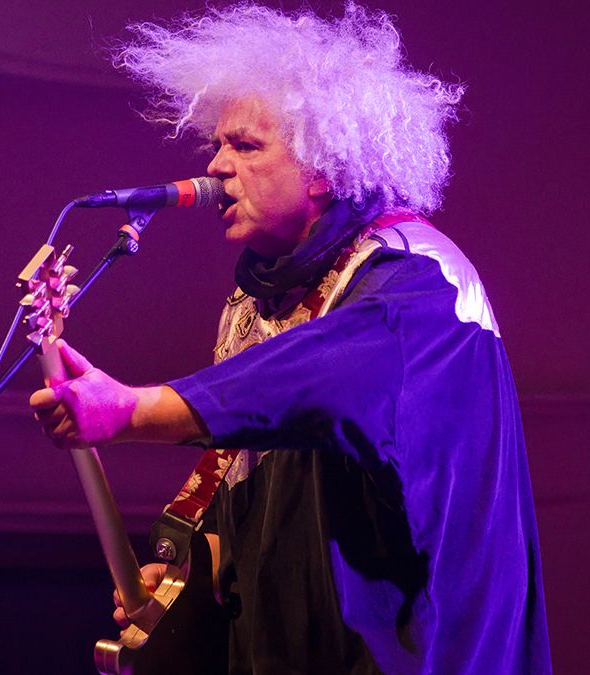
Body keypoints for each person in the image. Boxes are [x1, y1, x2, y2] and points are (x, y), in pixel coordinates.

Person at [30, 4, 551, 673]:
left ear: (325, 166)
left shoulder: (418, 282)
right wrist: (198, 573)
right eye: (217, 144)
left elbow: (318, 382)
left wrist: (131, 409)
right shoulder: (258, 302)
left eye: (246, 146)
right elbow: (276, 498)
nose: (216, 164)